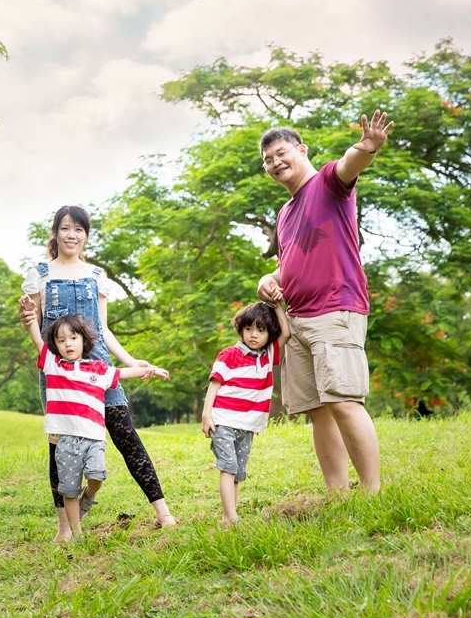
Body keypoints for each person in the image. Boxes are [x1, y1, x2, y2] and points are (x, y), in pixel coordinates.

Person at [20, 205, 177, 542]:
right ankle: (65, 528)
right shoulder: (40, 274)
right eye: (65, 228)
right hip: (59, 373)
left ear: (86, 235)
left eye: (78, 229)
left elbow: (103, 329)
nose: (71, 235)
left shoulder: (96, 276)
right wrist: (51, 362)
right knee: (60, 446)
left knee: (125, 434)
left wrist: (132, 361)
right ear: (55, 233)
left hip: (100, 369)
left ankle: (163, 513)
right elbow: (35, 327)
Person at [256, 110, 394, 494]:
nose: (275, 163)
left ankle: (371, 493)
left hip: (335, 309)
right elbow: (289, 264)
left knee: (345, 401)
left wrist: (367, 148)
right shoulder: (285, 212)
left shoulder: (328, 184)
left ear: (301, 150)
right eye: (267, 159)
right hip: (296, 321)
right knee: (319, 412)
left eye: (281, 153)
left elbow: (351, 164)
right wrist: (268, 279)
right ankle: (337, 493)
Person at [21, 309, 169, 539]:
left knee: (97, 476)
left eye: (73, 338)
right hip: (65, 438)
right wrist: (30, 322)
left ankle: (88, 497)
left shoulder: (98, 370)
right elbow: (37, 341)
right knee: (69, 488)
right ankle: (77, 534)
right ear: (55, 345)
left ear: (83, 340)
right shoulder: (53, 365)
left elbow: (123, 373)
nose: (68, 344)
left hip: (94, 437)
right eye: (61, 340)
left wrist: (151, 370)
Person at [201, 302, 290, 524]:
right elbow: (214, 384)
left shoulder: (268, 356)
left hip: (247, 426)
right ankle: (232, 517)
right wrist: (206, 415)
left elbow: (286, 332)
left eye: (261, 330)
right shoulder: (229, 354)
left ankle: (226, 518)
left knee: (238, 472)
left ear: (269, 334)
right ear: (241, 329)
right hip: (223, 421)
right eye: (249, 328)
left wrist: (278, 305)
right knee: (228, 467)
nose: (253, 335)